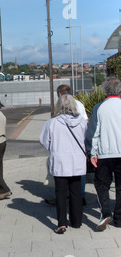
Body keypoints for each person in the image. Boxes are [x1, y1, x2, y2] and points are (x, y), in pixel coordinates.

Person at [40, 94, 87, 234]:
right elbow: (86, 140)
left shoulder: (52, 123)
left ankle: (62, 224)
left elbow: (44, 141)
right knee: (76, 192)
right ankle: (77, 221)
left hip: (60, 161)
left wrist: (55, 149)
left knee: (60, 193)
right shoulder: (82, 122)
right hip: (77, 161)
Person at [45, 84, 89, 206]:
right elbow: (86, 123)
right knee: (78, 175)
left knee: (62, 179)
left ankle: (67, 200)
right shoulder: (79, 104)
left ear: (59, 94)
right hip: (78, 148)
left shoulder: (61, 105)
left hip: (62, 148)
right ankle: (80, 197)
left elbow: (45, 139)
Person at [87, 76, 121, 231]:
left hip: (105, 153)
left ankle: (106, 212)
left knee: (101, 184)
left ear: (105, 90)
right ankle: (119, 218)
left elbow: (93, 133)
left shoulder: (99, 108)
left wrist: (92, 153)